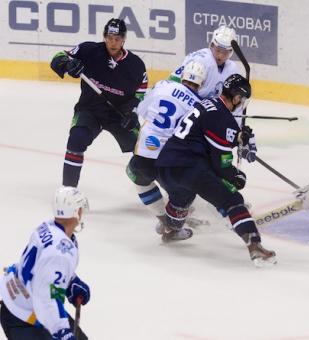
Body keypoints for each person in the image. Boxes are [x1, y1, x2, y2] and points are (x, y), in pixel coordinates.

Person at [154, 74, 275, 266]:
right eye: (242, 100)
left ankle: (170, 229)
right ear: (236, 98)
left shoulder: (208, 103)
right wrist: (235, 176)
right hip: (189, 168)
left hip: (165, 166)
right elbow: (221, 164)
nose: (242, 103)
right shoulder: (222, 117)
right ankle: (255, 246)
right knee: (232, 200)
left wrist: (236, 138)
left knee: (182, 199)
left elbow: (207, 134)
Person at [50, 18, 148, 187]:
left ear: (124, 39)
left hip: (120, 114)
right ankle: (68, 192)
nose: (113, 42)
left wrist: (133, 113)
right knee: (76, 140)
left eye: (117, 39)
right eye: (109, 38)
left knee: (146, 149)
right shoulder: (89, 50)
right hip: (90, 109)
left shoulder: (136, 65)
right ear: (104, 36)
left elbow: (141, 93)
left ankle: (173, 194)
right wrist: (68, 64)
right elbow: (58, 57)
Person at [125, 61, 207, 232]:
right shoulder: (199, 106)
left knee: (136, 175)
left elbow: (142, 110)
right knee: (185, 191)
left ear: (182, 77)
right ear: (202, 83)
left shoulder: (163, 85)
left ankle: (163, 218)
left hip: (144, 156)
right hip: (171, 162)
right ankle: (174, 225)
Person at [0, 187, 91, 339]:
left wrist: (70, 281)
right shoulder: (60, 251)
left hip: (20, 299)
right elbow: (47, 298)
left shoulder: (49, 227)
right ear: (76, 212)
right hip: (22, 316)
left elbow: (44, 268)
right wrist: (61, 331)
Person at [169, 25, 245, 125]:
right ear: (212, 45)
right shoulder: (200, 60)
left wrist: (236, 128)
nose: (220, 56)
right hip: (186, 111)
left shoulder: (233, 70)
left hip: (209, 115)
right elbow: (174, 82)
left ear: (231, 51)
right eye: (218, 50)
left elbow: (235, 105)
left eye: (225, 52)